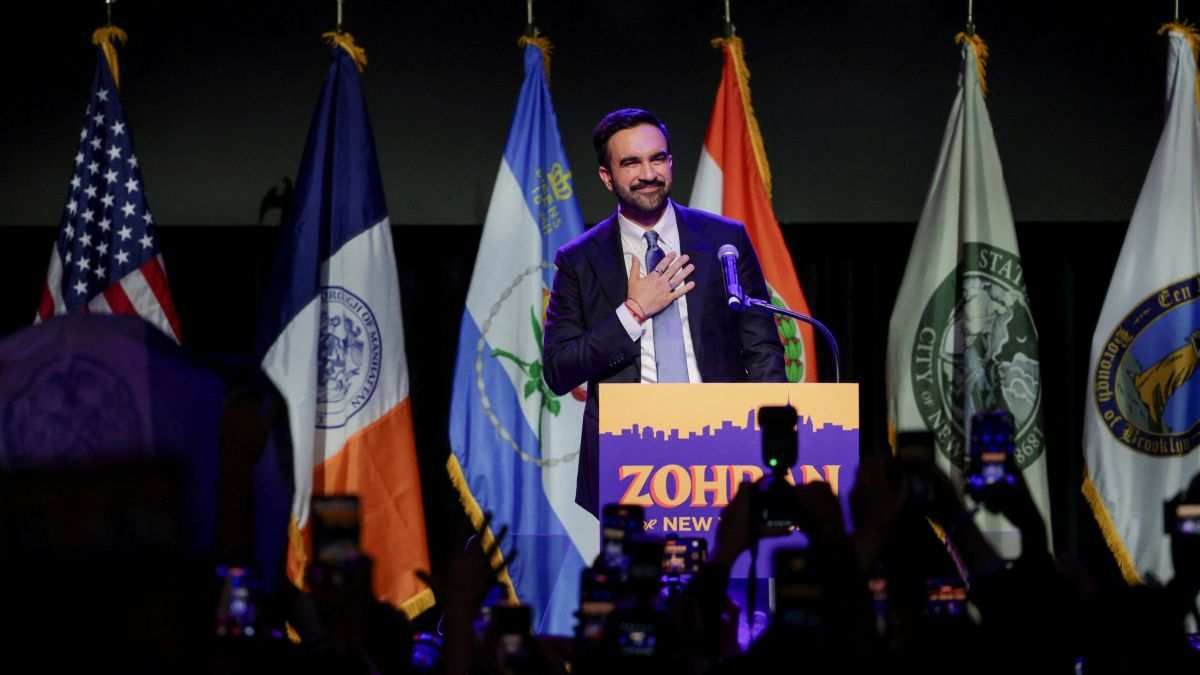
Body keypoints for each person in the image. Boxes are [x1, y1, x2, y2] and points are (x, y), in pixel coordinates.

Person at [542, 107, 786, 517]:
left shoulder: (724, 240)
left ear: (671, 163)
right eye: (631, 162)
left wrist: (772, 440)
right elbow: (559, 369)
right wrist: (634, 312)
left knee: (731, 576)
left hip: (724, 443)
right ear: (607, 176)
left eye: (657, 158)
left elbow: (762, 349)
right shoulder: (579, 260)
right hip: (629, 453)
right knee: (639, 580)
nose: (648, 173)